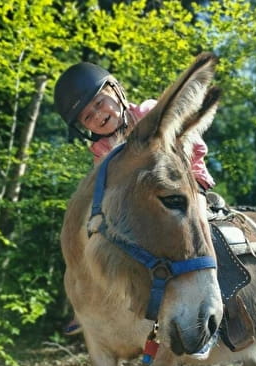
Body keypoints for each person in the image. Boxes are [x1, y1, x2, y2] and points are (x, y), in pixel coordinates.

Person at [54, 62, 215, 335]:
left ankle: (214, 295)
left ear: (116, 92)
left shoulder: (150, 113)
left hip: (183, 188)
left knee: (197, 219)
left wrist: (193, 179)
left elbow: (193, 143)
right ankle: (90, 303)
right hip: (143, 208)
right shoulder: (102, 149)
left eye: (99, 104)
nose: (97, 116)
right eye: (87, 117)